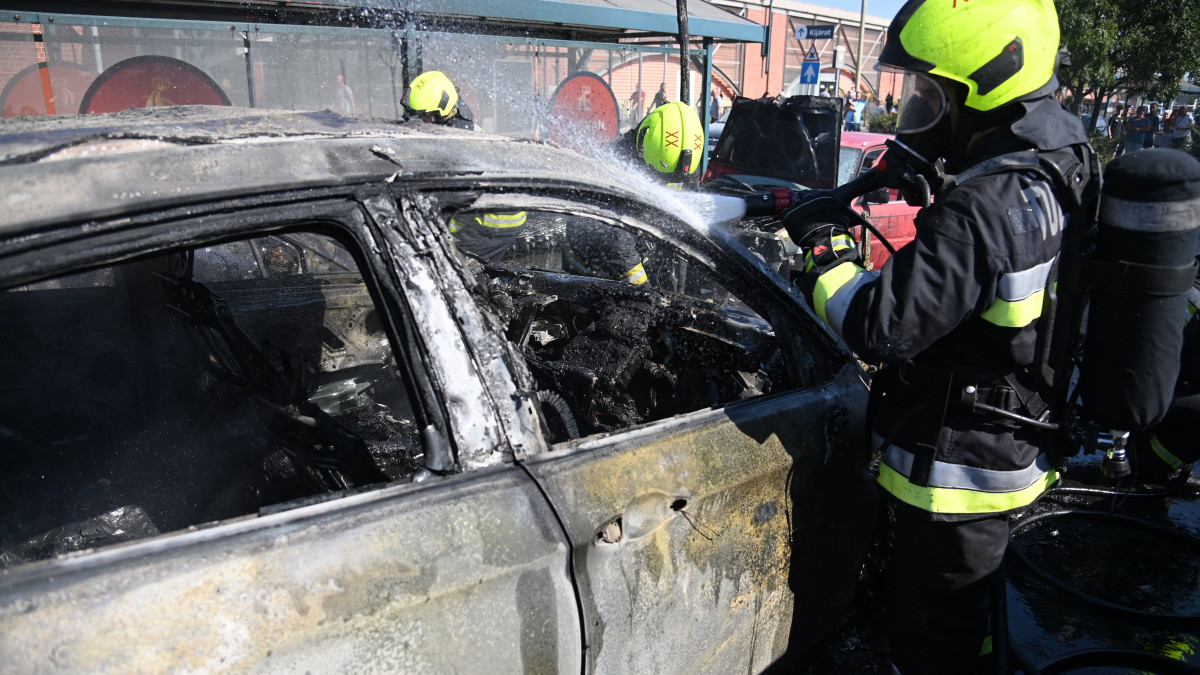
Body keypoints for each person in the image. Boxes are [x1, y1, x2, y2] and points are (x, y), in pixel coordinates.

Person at [782, 0, 1097, 671]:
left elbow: (879, 326)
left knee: (932, 641)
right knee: (974, 620)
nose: (917, 104)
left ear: (985, 87)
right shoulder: (1058, 158)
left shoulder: (980, 210)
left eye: (931, 93)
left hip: (957, 479)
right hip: (1013, 444)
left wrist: (823, 253)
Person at [404, 71, 527, 262]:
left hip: (495, 220)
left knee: (455, 267)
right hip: (483, 208)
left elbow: (457, 202)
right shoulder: (451, 122)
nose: (419, 121)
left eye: (424, 116)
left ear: (441, 111)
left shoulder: (458, 142)